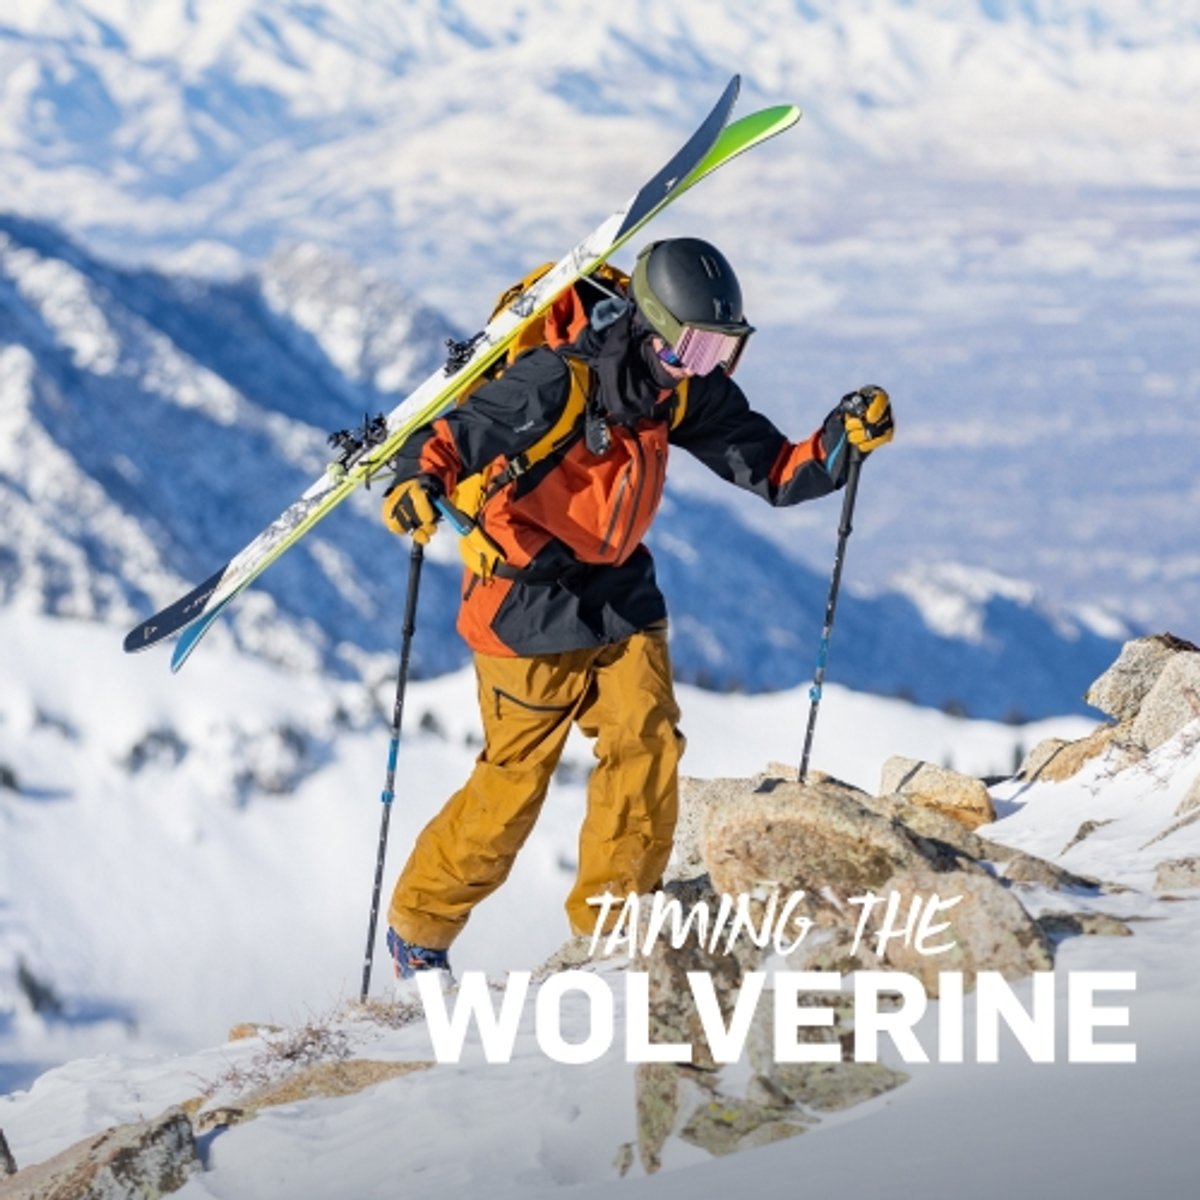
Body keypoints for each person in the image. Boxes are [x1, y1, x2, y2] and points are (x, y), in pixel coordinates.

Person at [379, 237, 894, 982]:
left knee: (647, 743)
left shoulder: (677, 387)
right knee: (514, 782)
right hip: (523, 596)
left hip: (617, 583)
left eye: (721, 351)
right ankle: (418, 928)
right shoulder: (556, 380)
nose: (706, 365)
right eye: (694, 347)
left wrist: (840, 445)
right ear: (648, 329)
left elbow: (775, 471)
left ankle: (618, 927)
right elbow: (451, 437)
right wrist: (413, 482)